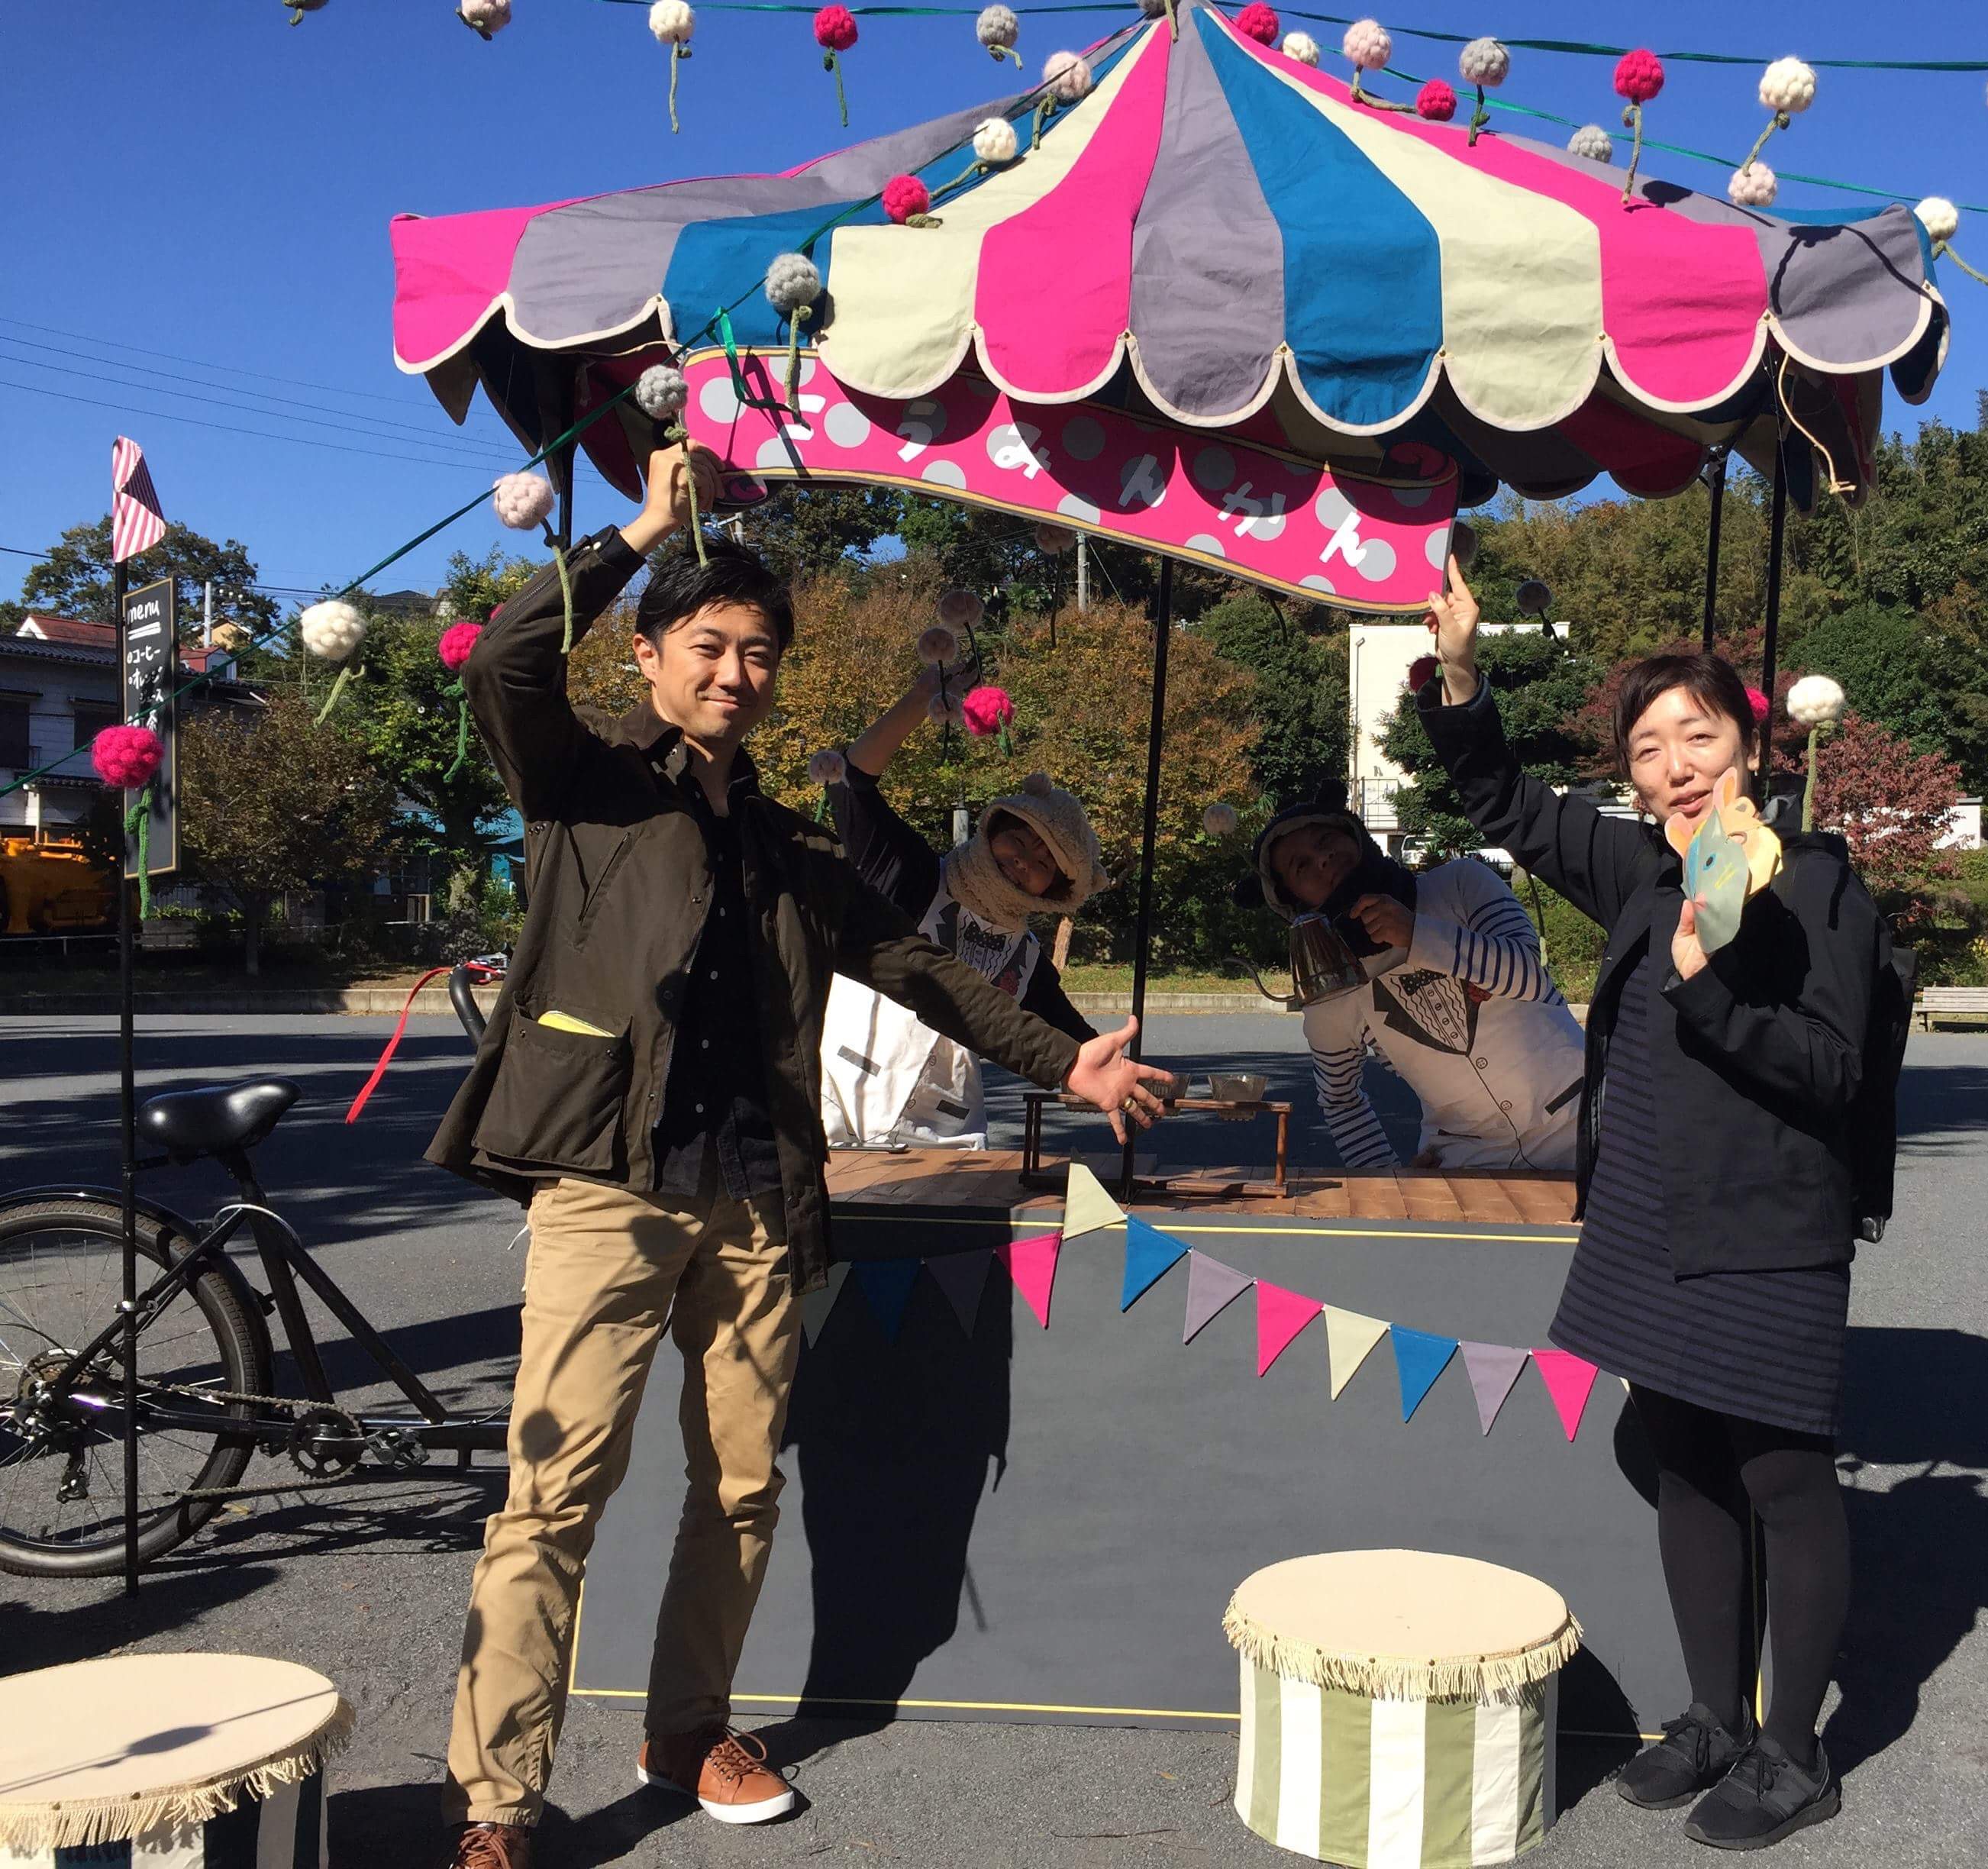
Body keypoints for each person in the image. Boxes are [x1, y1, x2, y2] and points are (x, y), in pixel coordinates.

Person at [424, 441, 1173, 1869]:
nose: (734, 672)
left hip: (760, 1192)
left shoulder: (787, 850)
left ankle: (686, 1725)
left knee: (742, 1485)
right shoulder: (584, 785)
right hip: (609, 1182)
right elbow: (508, 665)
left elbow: (923, 968)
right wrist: (637, 532)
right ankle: (497, 1804)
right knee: (554, 1497)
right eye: (707, 645)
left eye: (758, 652)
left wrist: (1063, 1058)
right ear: (649, 655)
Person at [1414, 554, 1886, 1851]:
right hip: (1643, 1215)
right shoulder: (1641, 868)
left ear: (1750, 747)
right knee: (1683, 1460)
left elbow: (1830, 1070)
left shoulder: (1814, 882)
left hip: (1765, 1224)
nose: (1675, 765)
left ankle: (1794, 1751)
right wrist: (1460, 670)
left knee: (1782, 1478)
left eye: (1699, 736)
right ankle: (1715, 1718)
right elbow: (1502, 798)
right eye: (1647, 748)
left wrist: (1706, 983)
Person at [818, 664, 1107, 1149]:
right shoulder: (911, 873)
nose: (1023, 861)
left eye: (1043, 863)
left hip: (945, 1136)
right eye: (1018, 840)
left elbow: (1074, 1037)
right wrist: (920, 700)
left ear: (1055, 889)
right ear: (993, 830)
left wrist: (1124, 1076)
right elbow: (850, 783)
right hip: (833, 1110)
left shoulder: (1022, 959)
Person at [1246, 781, 1583, 1171]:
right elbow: (1339, 1099)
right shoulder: (1334, 986)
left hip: (1587, 1126)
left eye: (1326, 840)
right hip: (1467, 1162)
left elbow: (1531, 977)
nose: (1322, 859)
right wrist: (1386, 1181)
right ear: (1293, 899)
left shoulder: (1460, 885)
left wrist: (1417, 934)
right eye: (1301, 866)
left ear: (1356, 836)